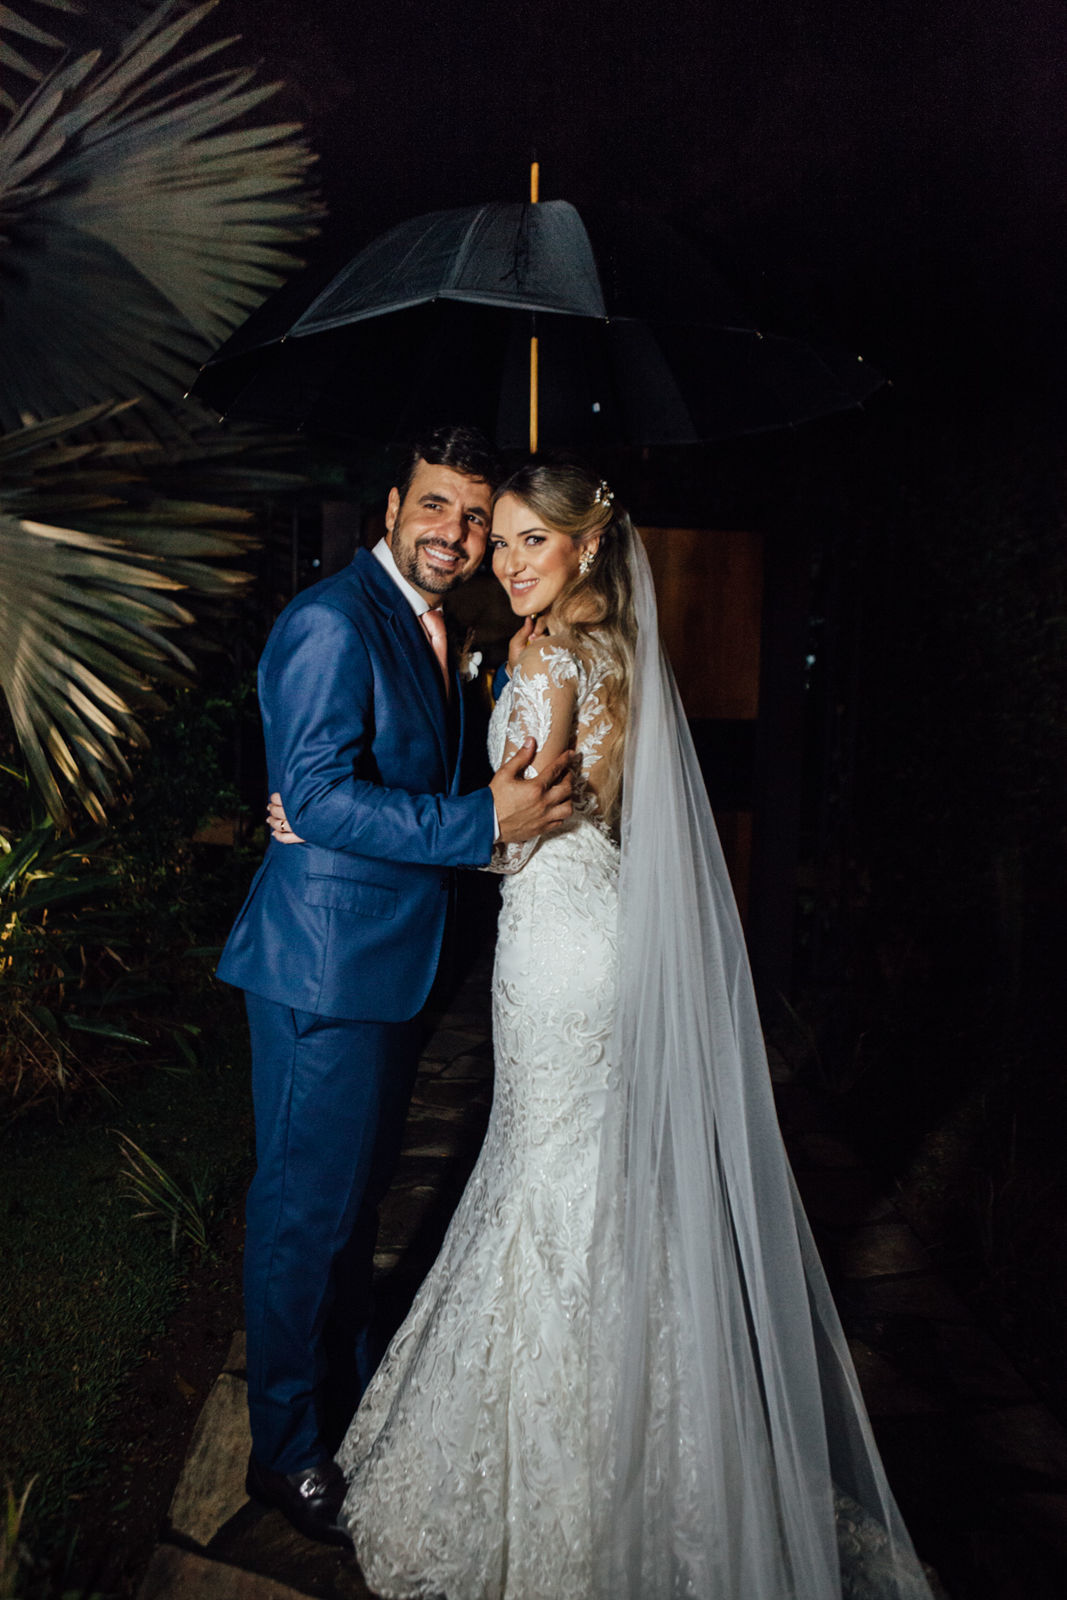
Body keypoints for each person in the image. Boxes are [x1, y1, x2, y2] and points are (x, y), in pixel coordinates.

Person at [272, 459, 937, 1598]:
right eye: (503, 539)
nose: (508, 558)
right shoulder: (593, 650)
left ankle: (577, 1468)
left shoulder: (552, 658)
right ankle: (657, 1434)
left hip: (559, 948)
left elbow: (516, 831)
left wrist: (324, 827)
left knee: (550, 1176)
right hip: (591, 932)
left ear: (586, 547)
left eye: (532, 539)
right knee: (586, 1177)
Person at [216, 426, 575, 1551]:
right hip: (323, 968)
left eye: (475, 518)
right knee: (303, 1215)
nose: (457, 536)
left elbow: (363, 783)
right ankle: (282, 1450)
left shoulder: (440, 628)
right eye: (438, 508)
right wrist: (481, 824)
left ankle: (341, 1388)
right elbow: (318, 793)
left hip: (385, 959)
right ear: (391, 503)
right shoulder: (331, 620)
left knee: (351, 1206)